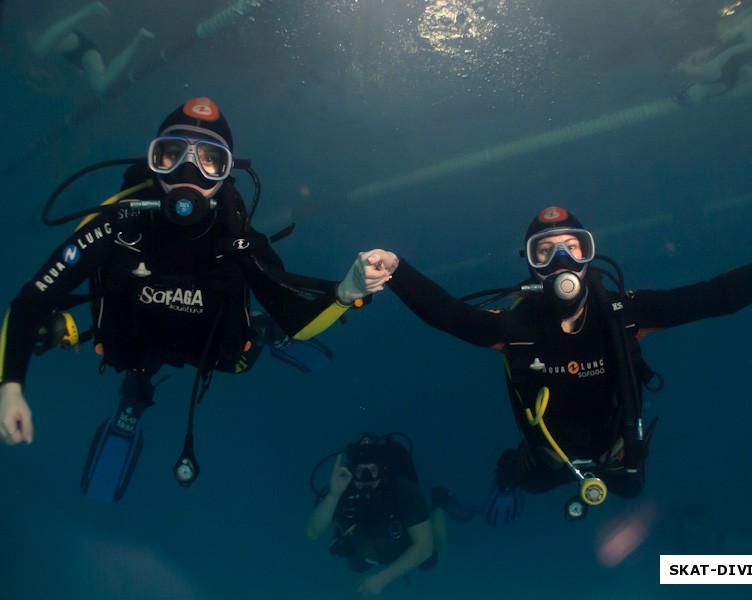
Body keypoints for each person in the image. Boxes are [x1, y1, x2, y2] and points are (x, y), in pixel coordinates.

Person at [0, 97, 392, 500]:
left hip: (213, 350)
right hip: (137, 344)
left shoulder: (238, 242)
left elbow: (299, 321)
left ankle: (262, 330)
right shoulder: (117, 225)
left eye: (209, 161)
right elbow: (33, 300)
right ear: (154, 160)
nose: (188, 173)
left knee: (243, 356)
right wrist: (9, 387)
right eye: (171, 155)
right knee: (135, 368)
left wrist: (348, 293)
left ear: (225, 174)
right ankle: (136, 397)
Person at [357, 206, 752, 521]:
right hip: (547, 458)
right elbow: (450, 316)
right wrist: (396, 269)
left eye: (572, 246)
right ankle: (506, 480)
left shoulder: (626, 313)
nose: (562, 261)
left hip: (618, 453)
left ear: (590, 253)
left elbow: (715, 297)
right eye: (545, 252)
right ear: (531, 265)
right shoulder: (513, 327)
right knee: (525, 480)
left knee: (630, 489)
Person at [306, 433, 450, 597]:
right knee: (356, 566)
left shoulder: (403, 489)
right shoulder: (340, 487)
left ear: (382, 469)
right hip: (362, 547)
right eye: (360, 471)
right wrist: (333, 496)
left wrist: (383, 578)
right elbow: (312, 533)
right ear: (351, 471)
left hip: (404, 544)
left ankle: (439, 503)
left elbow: (424, 547)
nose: (367, 479)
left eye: (373, 470)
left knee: (431, 563)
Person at [29, 1, 154, 95]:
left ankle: (87, 11)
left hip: (69, 43)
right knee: (99, 85)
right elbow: (57, 87)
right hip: (79, 54)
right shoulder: (55, 86)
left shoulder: (33, 56)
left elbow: (39, 47)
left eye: (37, 82)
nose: (37, 85)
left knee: (39, 49)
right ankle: (138, 40)